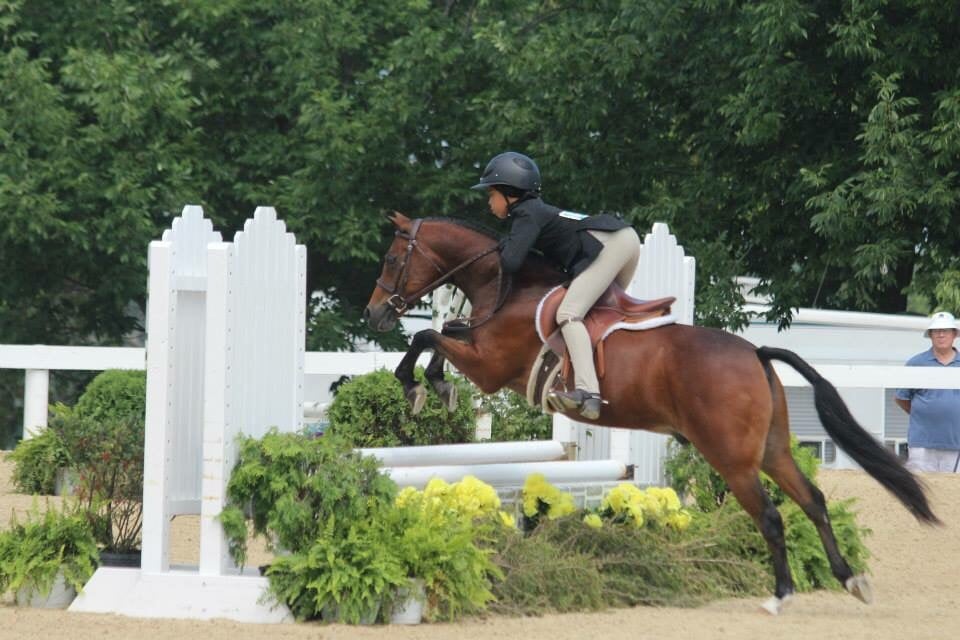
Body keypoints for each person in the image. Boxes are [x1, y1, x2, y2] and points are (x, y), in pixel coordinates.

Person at [471, 151, 641, 420]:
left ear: (509, 193)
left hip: (610, 245)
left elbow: (511, 263)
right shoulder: (536, 212)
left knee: (568, 314)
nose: (489, 202)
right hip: (623, 239)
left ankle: (588, 393)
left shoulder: (526, 213)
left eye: (491, 194)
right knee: (600, 317)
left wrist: (501, 246)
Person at [894, 311, 960, 473]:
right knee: (922, 490)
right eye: (936, 331)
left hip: (956, 443)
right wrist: (922, 413)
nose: (941, 335)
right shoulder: (916, 363)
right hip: (922, 444)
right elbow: (901, 397)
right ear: (930, 335)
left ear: (954, 335)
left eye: (946, 330)